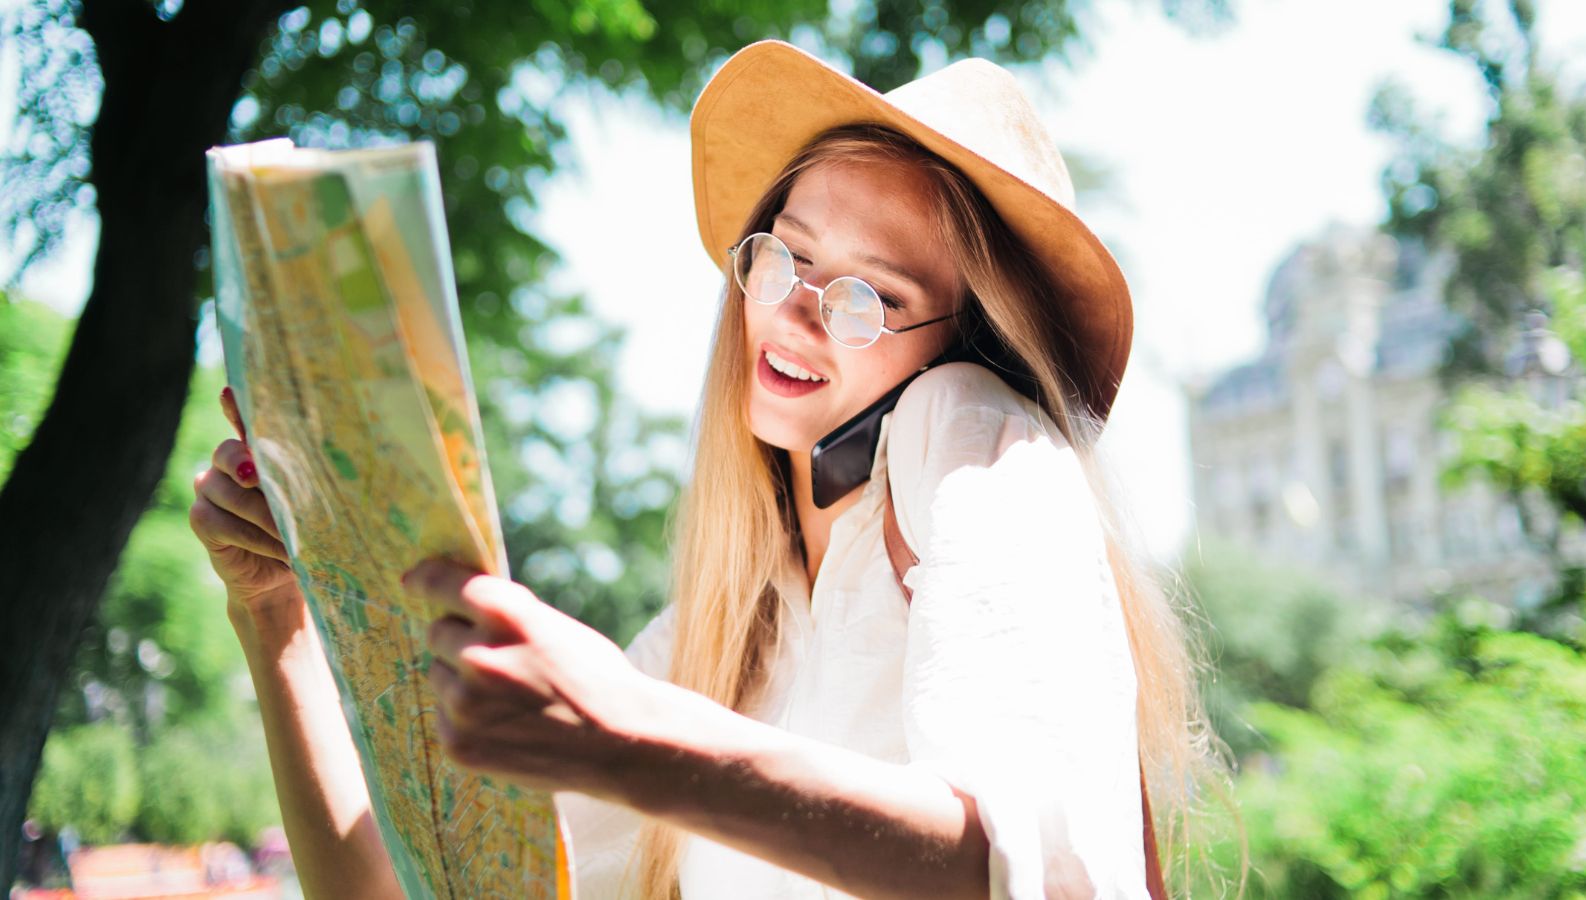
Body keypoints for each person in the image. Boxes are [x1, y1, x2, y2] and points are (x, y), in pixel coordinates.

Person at [189, 39, 1233, 899]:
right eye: (785, 253)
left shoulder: (962, 421)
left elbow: (1037, 874)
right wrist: (273, 617)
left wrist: (628, 735)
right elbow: (388, 889)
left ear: (970, 346)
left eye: (869, 295)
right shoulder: (723, 637)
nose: (794, 307)